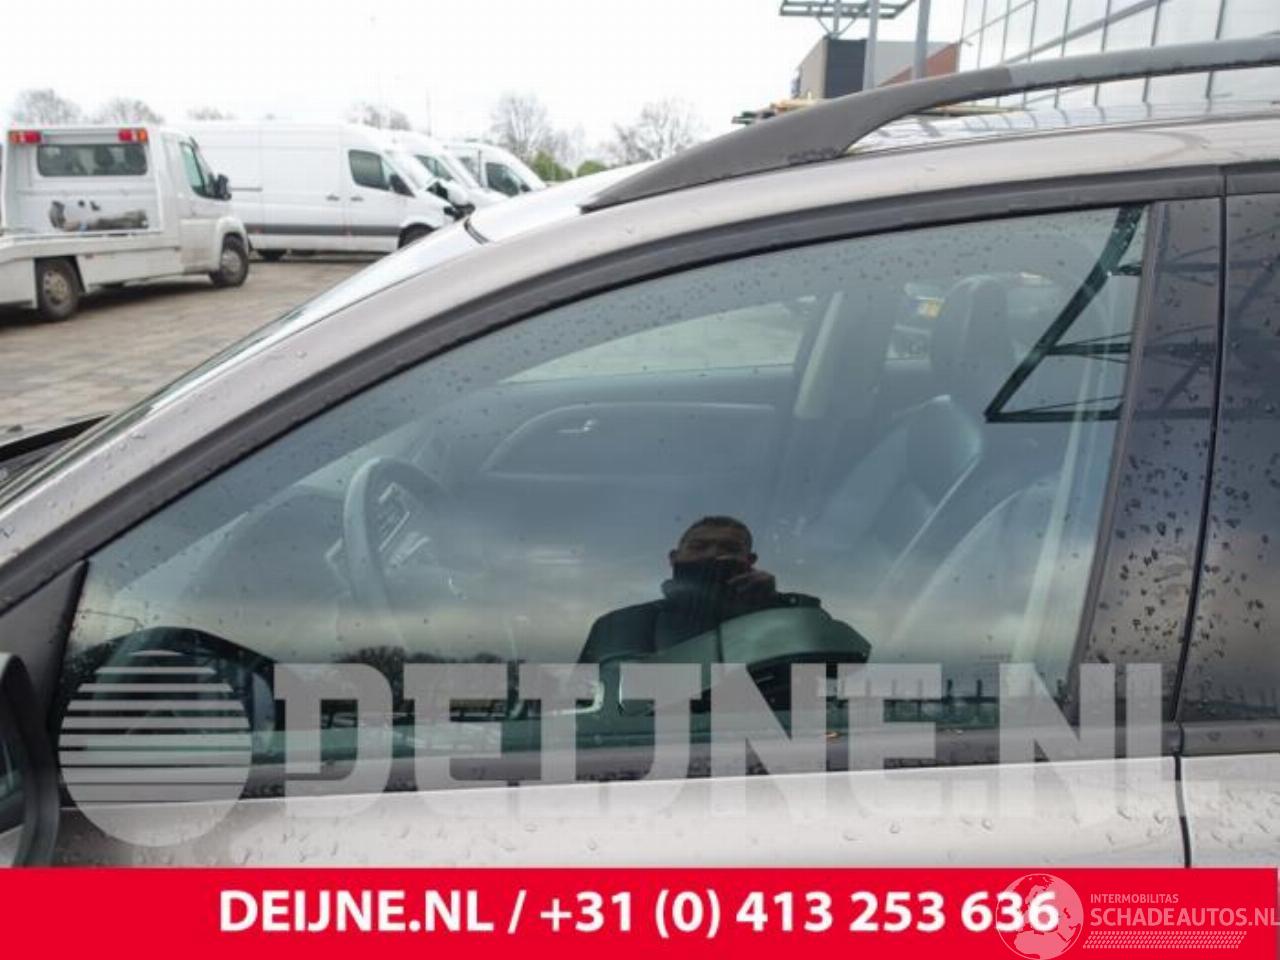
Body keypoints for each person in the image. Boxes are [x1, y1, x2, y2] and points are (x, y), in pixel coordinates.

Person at [578, 515, 839, 665]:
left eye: (729, 549)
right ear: (673, 558)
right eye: (699, 547)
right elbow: (582, 712)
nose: (713, 555)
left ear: (750, 561)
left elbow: (832, 680)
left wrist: (773, 608)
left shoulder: (794, 614)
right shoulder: (618, 626)